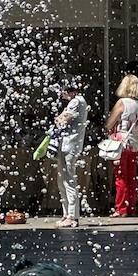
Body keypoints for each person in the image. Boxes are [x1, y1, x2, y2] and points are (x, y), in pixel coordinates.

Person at [105, 74, 138, 217]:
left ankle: (120, 208)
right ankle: (131, 207)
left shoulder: (122, 102)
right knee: (132, 177)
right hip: (135, 143)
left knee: (120, 177)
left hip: (121, 143)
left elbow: (109, 123)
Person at [50, 80, 89, 228]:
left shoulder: (76, 102)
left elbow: (63, 119)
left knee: (68, 179)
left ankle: (72, 216)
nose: (61, 94)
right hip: (68, 144)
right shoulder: (77, 101)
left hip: (70, 145)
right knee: (63, 179)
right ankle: (67, 213)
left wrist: (59, 118)